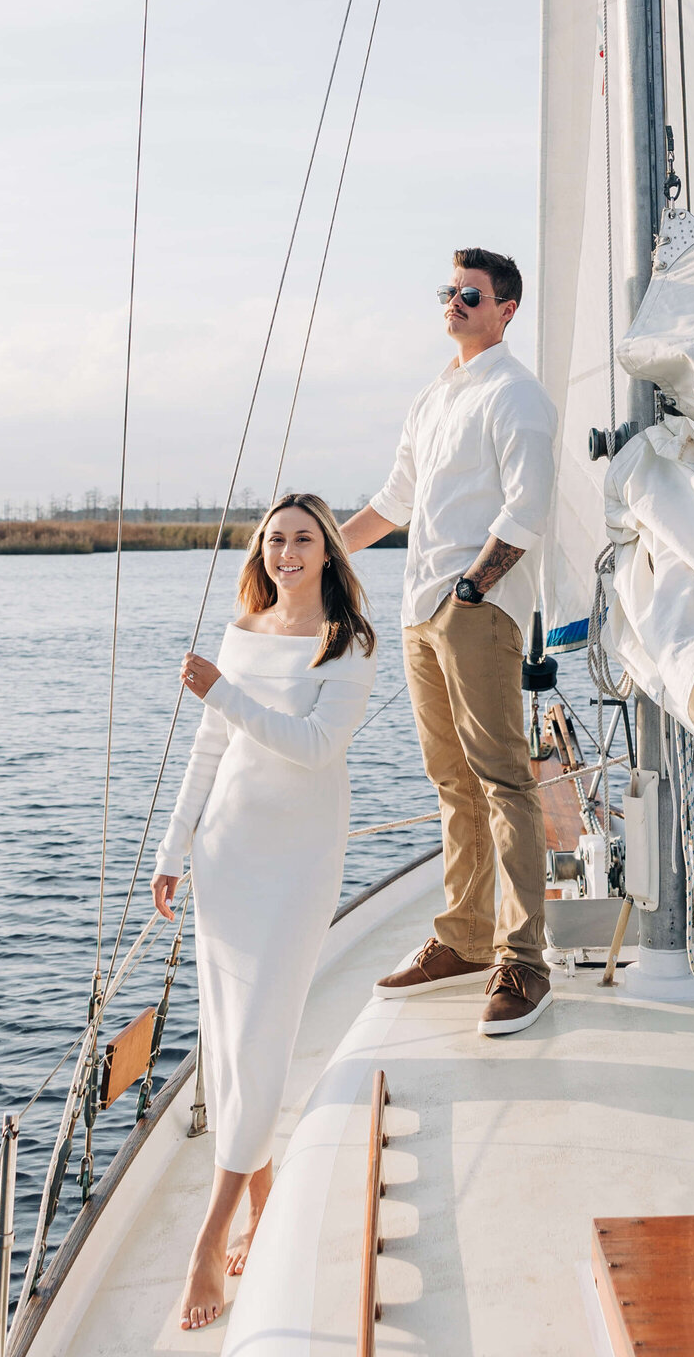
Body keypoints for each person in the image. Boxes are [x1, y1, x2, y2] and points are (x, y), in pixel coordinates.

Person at [152, 492, 377, 1333]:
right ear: (262, 549)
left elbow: (317, 749)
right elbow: (210, 747)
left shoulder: (349, 642)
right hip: (227, 852)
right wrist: (173, 850)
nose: (287, 551)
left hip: (298, 862)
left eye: (303, 540)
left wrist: (224, 693)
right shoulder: (242, 630)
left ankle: (207, 1240)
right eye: (275, 539)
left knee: (261, 1036)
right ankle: (262, 1198)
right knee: (224, 1034)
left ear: (327, 553)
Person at [340, 245, 558, 1038]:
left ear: (506, 309)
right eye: (450, 291)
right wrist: (318, 555)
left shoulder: (517, 395)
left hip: (475, 608)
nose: (456, 302)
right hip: (418, 611)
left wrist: (471, 590)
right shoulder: (435, 397)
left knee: (502, 779)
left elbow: (527, 509)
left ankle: (525, 961)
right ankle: (466, 939)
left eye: (472, 293)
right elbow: (391, 502)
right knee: (451, 783)